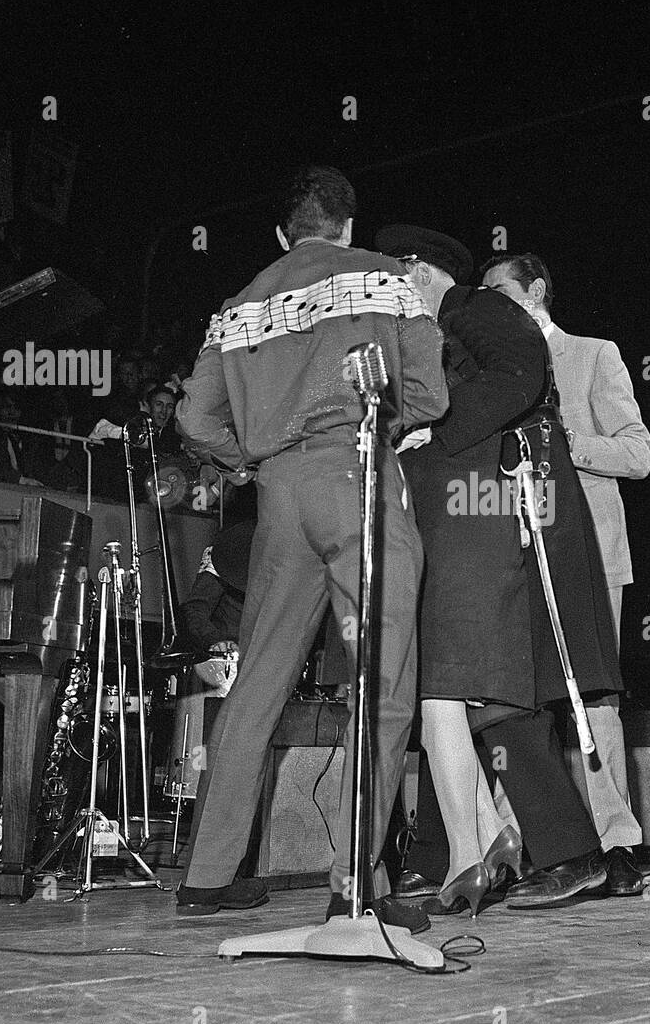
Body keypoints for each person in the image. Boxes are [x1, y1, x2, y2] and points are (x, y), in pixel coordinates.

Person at [172, 167, 448, 927]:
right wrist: (385, 425)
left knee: (257, 675)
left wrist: (249, 459)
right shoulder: (386, 279)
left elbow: (194, 421)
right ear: (349, 227)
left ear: (281, 234)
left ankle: (208, 872)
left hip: (278, 496)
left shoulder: (235, 307)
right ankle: (356, 878)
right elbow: (431, 396)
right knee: (383, 680)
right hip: (358, 476)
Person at [377, 224, 609, 912]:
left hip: (491, 516)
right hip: (467, 516)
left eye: (397, 277)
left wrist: (432, 428)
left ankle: (540, 851)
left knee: (486, 685)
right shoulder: (438, 332)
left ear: (421, 271)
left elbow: (521, 373)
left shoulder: (474, 307)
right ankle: (498, 843)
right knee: (482, 692)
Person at [480, 252, 650, 895]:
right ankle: (516, 844)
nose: (489, 303)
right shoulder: (491, 369)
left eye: (500, 290)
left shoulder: (593, 354)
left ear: (538, 291)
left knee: (596, 697)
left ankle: (617, 841)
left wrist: (560, 444)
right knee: (515, 703)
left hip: (592, 552)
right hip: (518, 555)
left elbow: (639, 453)